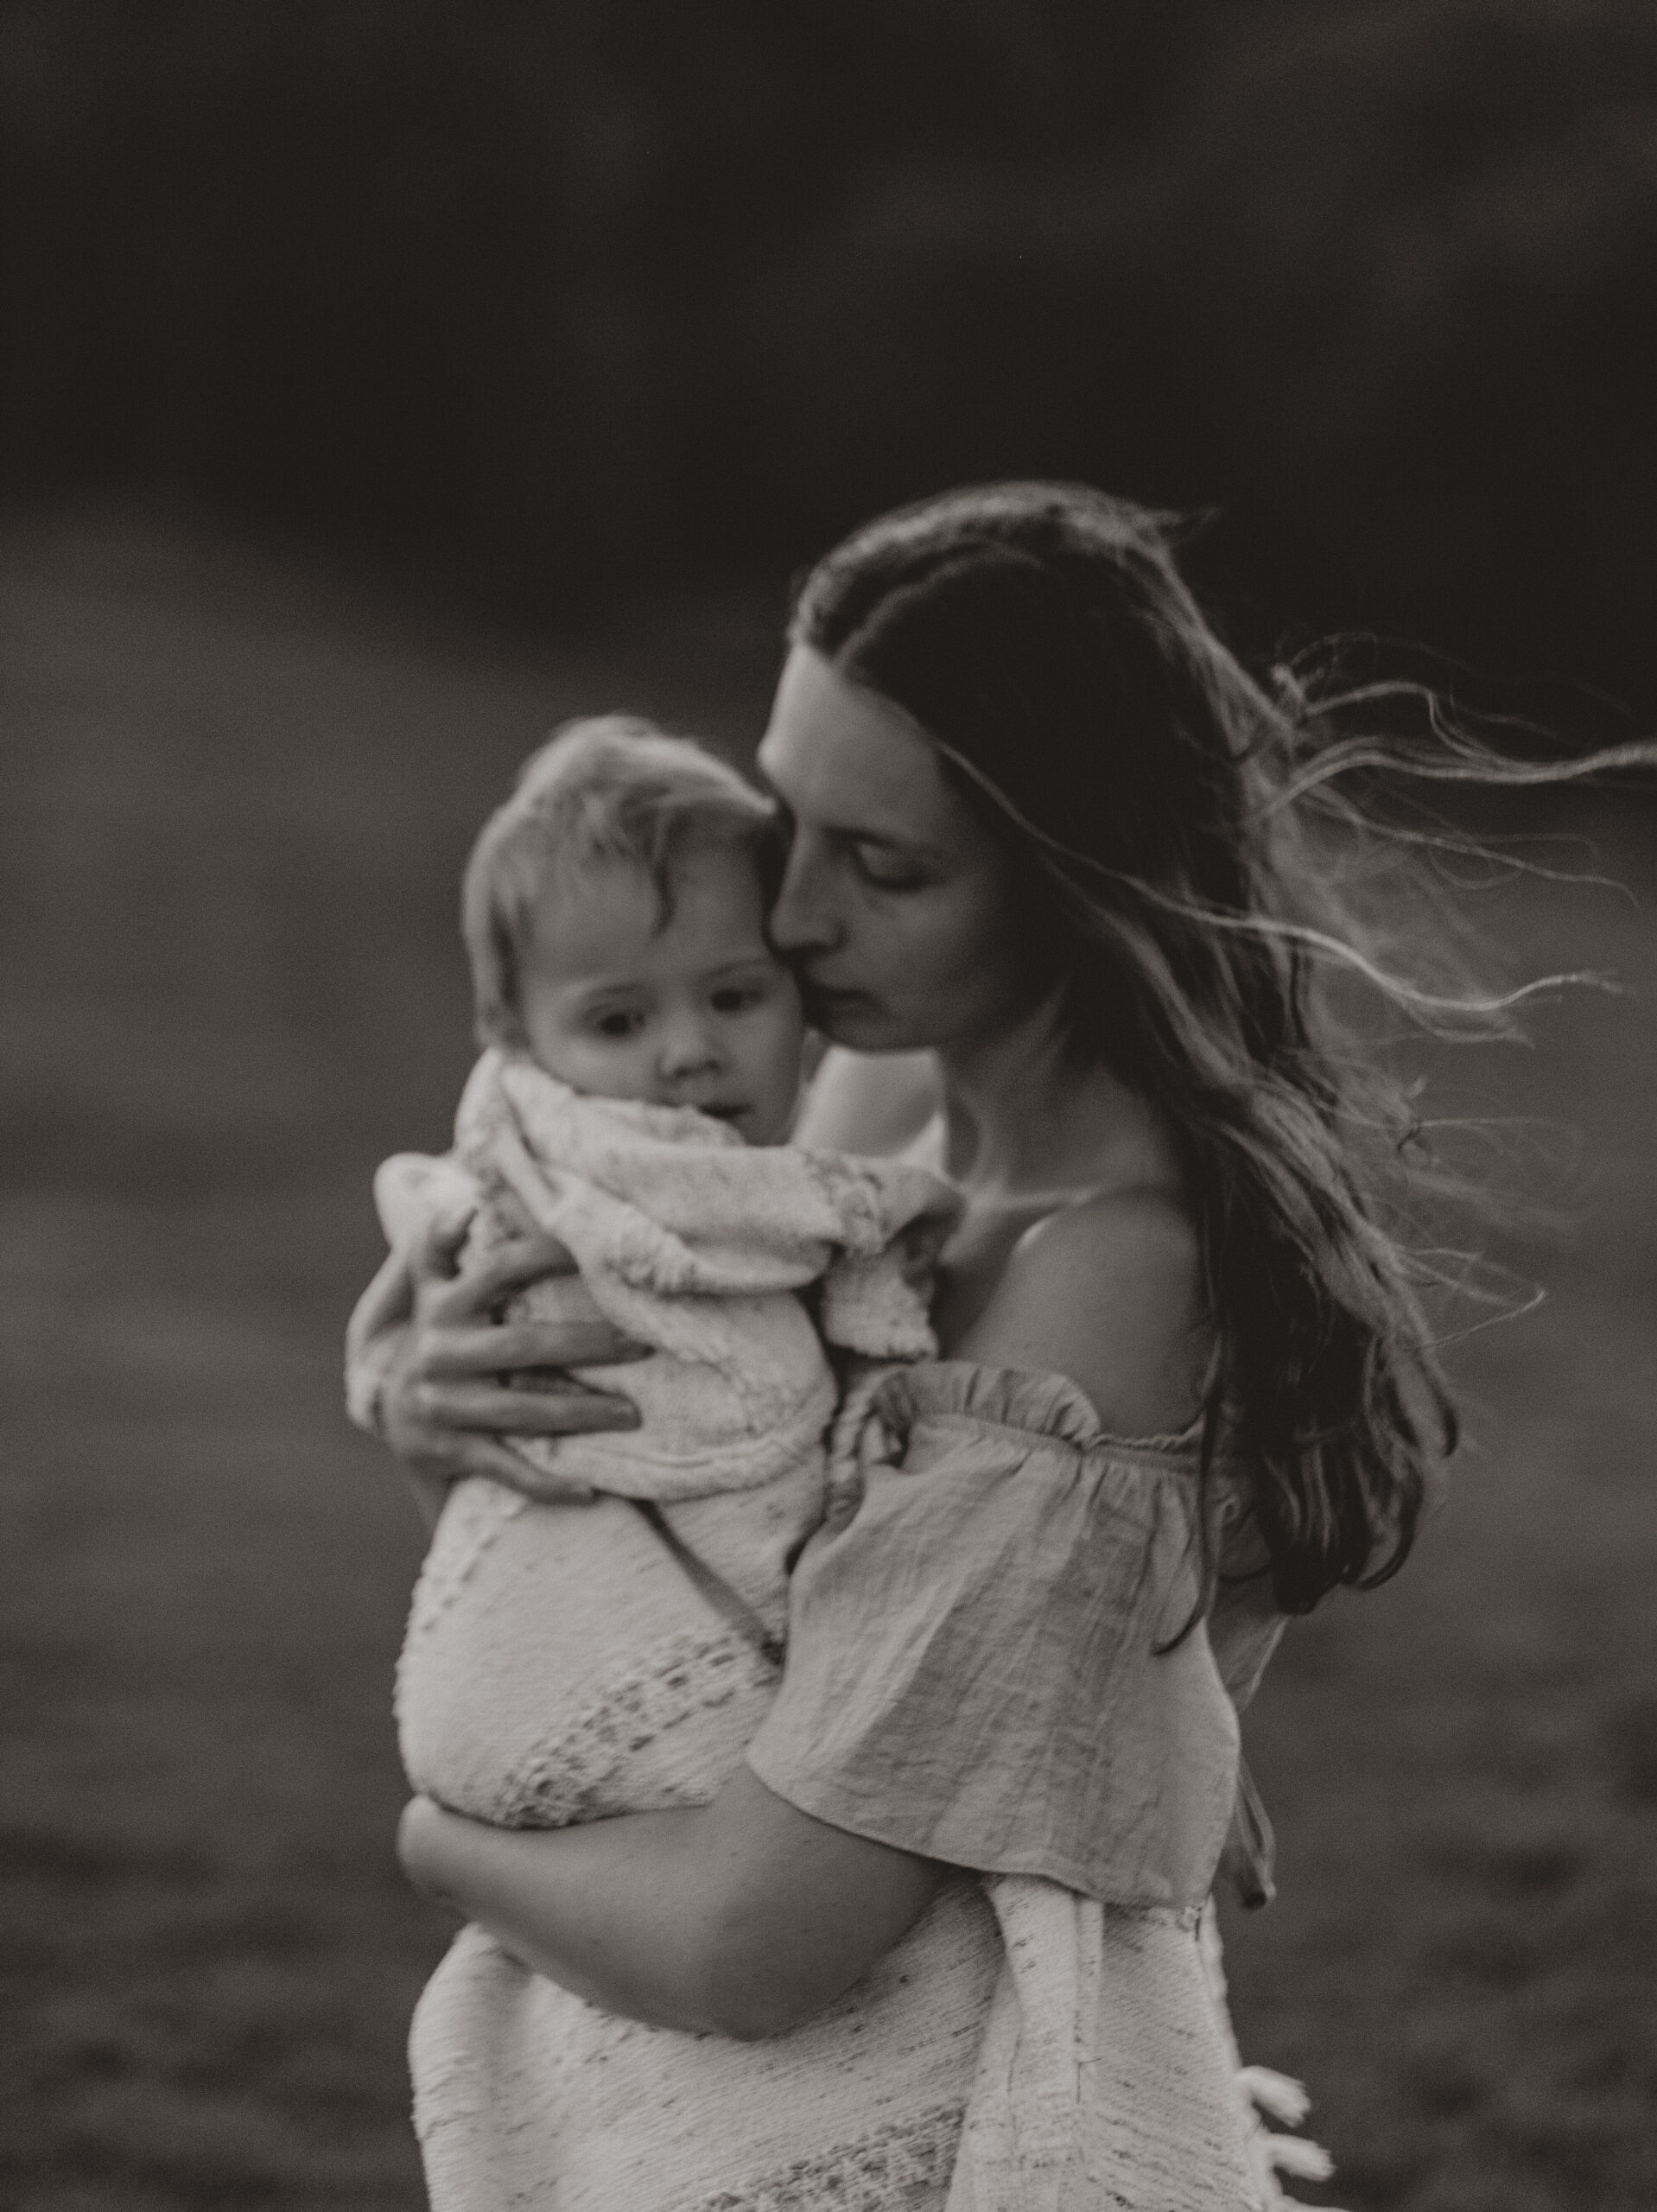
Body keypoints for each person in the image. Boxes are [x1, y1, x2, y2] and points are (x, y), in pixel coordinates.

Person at [348, 480, 1502, 2209]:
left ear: (1067, 876)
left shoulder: (1110, 1280)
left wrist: (434, 1836)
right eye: (785, 819)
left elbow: (754, 1939)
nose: (790, 920)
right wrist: (416, 1381)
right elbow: (679, 1470)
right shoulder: (873, 1097)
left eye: (882, 866)